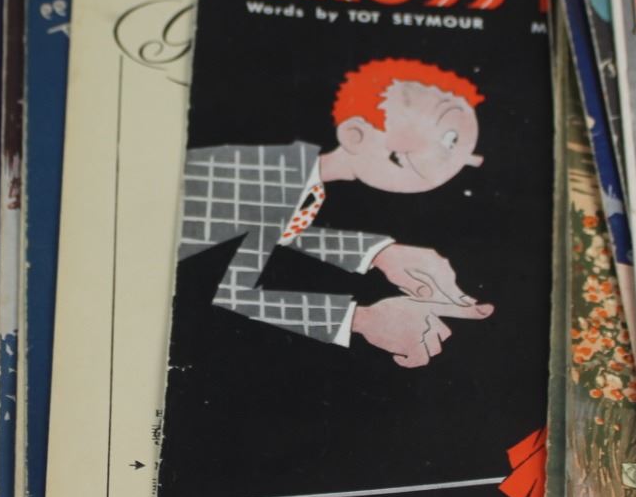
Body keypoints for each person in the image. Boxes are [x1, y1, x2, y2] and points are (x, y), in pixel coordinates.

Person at [177, 57, 492, 370]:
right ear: (355, 134)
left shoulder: (295, 174)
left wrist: (380, 254)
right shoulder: (273, 177)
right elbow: (235, 293)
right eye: (450, 138)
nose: (469, 161)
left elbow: (270, 226)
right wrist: (363, 319)